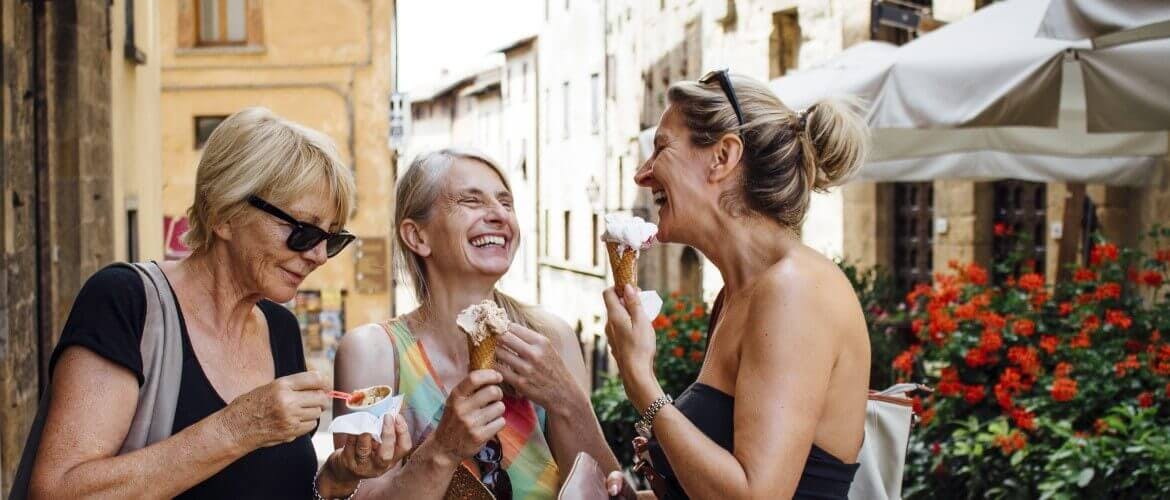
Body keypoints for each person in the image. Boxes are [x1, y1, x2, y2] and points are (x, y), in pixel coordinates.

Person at [28, 107, 410, 499]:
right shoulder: (127, 301)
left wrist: (339, 476)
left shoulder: (280, 328)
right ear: (224, 214)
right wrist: (239, 427)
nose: (319, 255)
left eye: (331, 238)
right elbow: (59, 491)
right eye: (303, 232)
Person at [601, 70, 872, 499]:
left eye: (661, 148)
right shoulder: (737, 294)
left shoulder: (795, 291)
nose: (642, 174)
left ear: (723, 156)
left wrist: (642, 384)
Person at [333, 148, 620, 499]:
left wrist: (567, 402)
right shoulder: (374, 352)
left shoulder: (551, 338)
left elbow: (606, 489)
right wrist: (443, 448)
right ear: (417, 236)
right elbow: (356, 495)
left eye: (506, 203)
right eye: (471, 201)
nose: (499, 215)